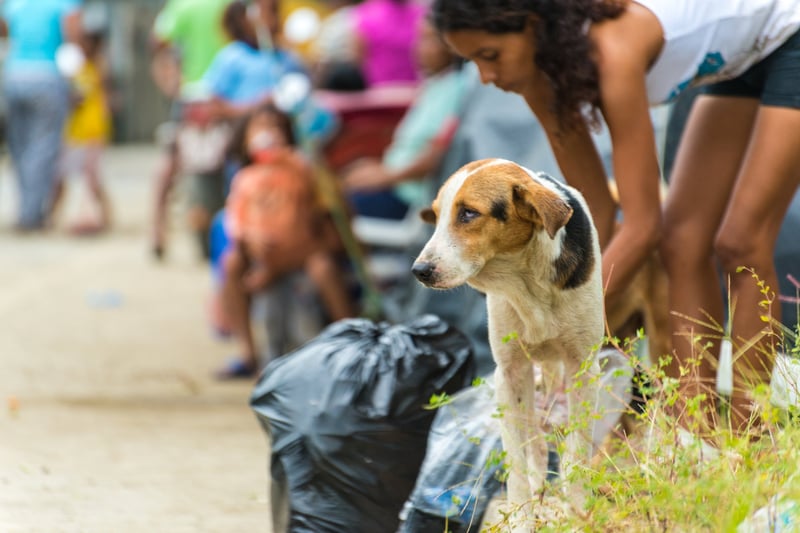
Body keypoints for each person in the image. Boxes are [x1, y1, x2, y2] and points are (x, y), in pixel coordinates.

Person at [430, 0, 800, 436]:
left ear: (533, 27)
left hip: (789, 36)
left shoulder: (613, 53)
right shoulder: (537, 80)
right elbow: (596, 214)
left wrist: (563, 316)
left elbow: (642, 225)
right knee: (682, 243)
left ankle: (748, 434)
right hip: (740, 64)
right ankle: (694, 434)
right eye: (471, 61)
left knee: (741, 242)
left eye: (490, 56)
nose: (486, 77)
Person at [213, 103, 356, 379]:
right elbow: (235, 223)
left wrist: (299, 163)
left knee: (323, 268)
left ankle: (350, 339)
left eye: (276, 127)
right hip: (260, 253)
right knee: (231, 263)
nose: (269, 134)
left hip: (302, 249)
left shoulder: (302, 170)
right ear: (245, 138)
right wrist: (250, 239)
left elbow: (325, 218)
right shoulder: (245, 178)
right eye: (261, 127)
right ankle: (248, 352)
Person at [343, 14, 466, 219]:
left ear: (452, 45)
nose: (419, 48)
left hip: (409, 197)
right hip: (395, 183)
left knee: (335, 207)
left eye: (430, 39)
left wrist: (385, 176)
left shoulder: (458, 88)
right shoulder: (435, 85)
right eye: (419, 39)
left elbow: (436, 156)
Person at [149, 0, 231, 259]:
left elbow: (158, 41)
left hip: (190, 94)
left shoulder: (182, 6)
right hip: (225, 97)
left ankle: (157, 231)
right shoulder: (231, 4)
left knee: (170, 162)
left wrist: (169, 79)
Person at [0, 0, 82, 232]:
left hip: (14, 76)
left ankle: (26, 208)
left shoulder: (15, 3)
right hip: (47, 77)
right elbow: (73, 37)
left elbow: (5, 31)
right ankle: (31, 215)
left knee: (20, 149)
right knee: (42, 148)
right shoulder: (64, 4)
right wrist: (75, 81)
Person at [51, 26, 113, 235]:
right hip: (73, 131)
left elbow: (103, 99)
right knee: (62, 177)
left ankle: (103, 216)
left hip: (92, 129)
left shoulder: (97, 68)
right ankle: (52, 215)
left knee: (92, 177)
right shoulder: (72, 68)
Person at [351, 0, 426, 88]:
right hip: (376, 93)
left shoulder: (421, 13)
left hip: (414, 91)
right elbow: (357, 58)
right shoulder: (367, 12)